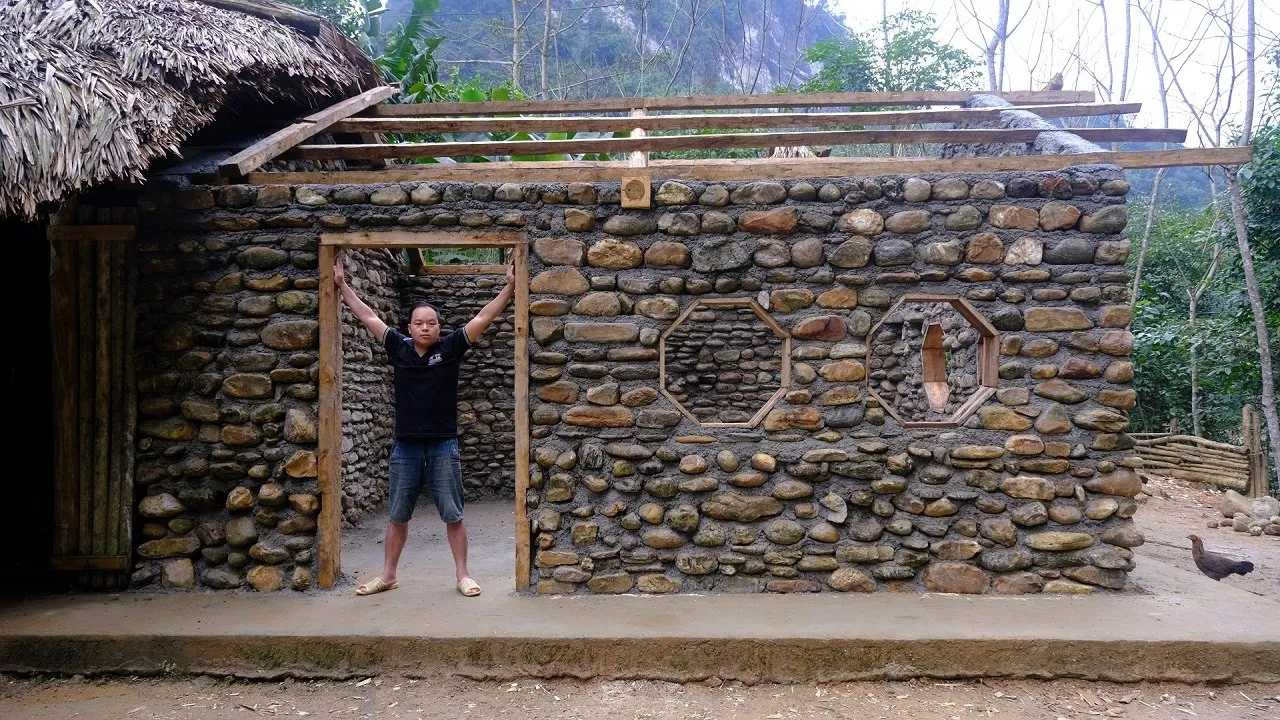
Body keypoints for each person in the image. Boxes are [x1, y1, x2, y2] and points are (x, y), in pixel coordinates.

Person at [333, 252, 515, 597]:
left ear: (439, 327)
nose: (425, 327)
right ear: (410, 327)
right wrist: (342, 285)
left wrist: (509, 288)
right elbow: (367, 315)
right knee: (397, 515)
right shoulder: (398, 347)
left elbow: (484, 316)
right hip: (406, 446)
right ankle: (388, 575)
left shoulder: (451, 347)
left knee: (453, 514)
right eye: (419, 323)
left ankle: (463, 575)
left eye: (431, 323)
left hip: (443, 444)